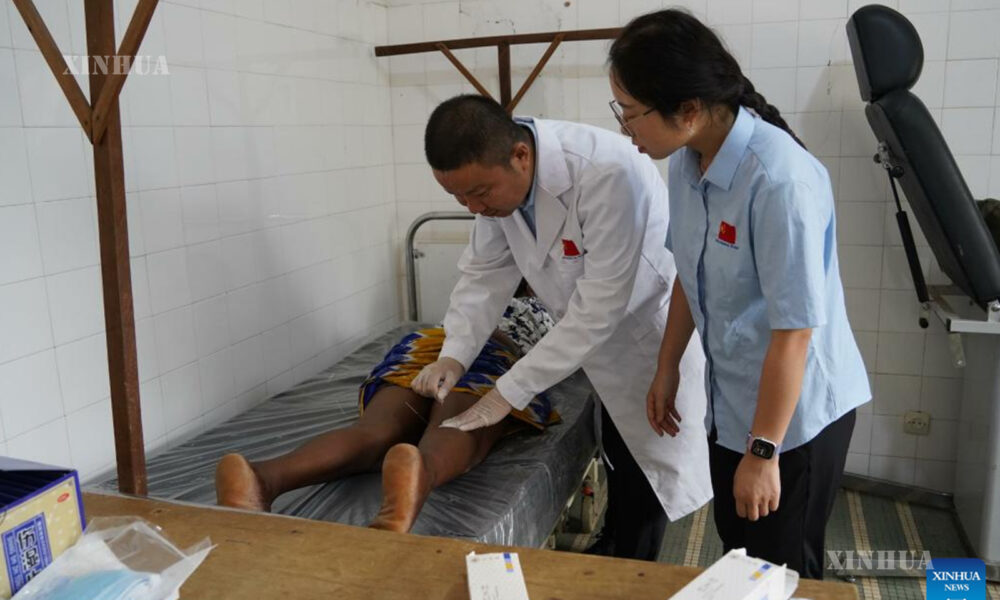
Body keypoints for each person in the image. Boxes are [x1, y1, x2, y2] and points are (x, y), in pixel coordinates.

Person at [607, 9, 871, 579]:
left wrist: (763, 451)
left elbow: (794, 334)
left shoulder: (779, 180)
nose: (626, 129)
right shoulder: (687, 163)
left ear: (688, 109)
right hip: (733, 402)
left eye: (630, 113)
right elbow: (689, 271)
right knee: (741, 553)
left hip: (795, 418)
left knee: (784, 569)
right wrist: (667, 367)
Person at [414, 94, 712, 561]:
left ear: (521, 155)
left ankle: (632, 571)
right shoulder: (496, 190)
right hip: (589, 344)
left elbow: (599, 309)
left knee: (646, 478)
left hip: (646, 342)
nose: (472, 208)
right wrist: (454, 353)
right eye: (458, 198)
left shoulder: (606, 172)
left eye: (479, 193)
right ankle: (615, 546)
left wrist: (507, 393)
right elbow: (484, 275)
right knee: (619, 459)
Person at [215, 293, 559, 533]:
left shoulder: (479, 293)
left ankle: (262, 478)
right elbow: (565, 352)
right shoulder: (547, 305)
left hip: (426, 346)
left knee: (374, 431)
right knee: (460, 424)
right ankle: (420, 471)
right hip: (494, 354)